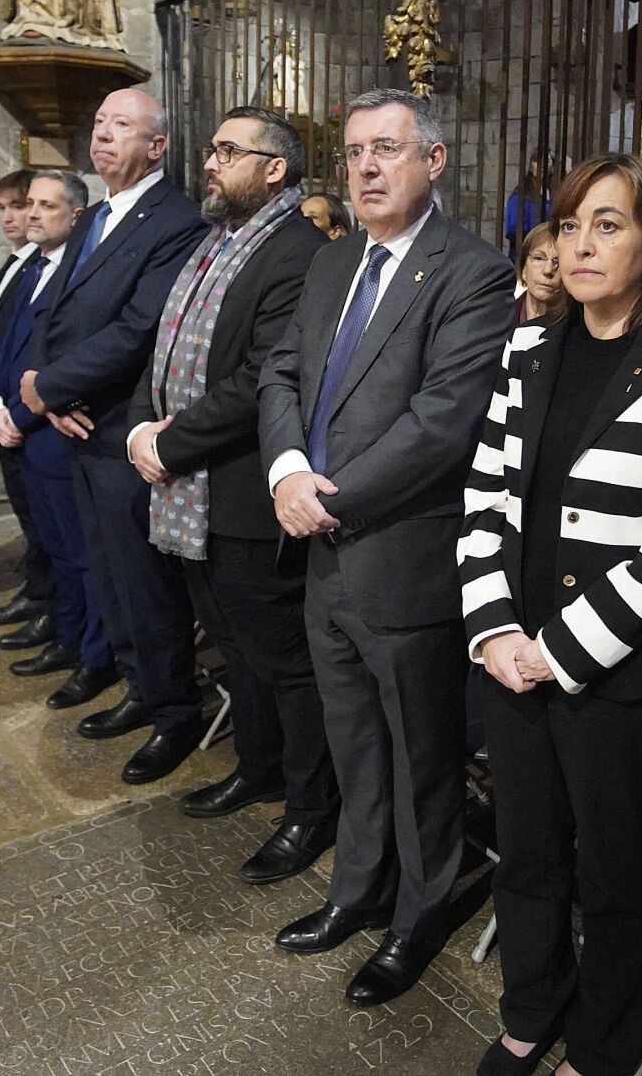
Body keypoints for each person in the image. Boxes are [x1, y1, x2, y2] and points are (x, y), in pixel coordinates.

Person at [460, 153, 642, 1075]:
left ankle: (607, 1039)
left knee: (611, 867)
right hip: (512, 648)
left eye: (609, 224)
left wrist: (559, 651)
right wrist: (495, 625)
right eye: (572, 224)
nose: (582, 245)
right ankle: (531, 1004)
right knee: (529, 848)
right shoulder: (530, 345)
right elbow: (486, 496)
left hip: (618, 665)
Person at [257, 88, 515, 1008]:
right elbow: (283, 368)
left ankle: (418, 911)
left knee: (421, 751)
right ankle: (356, 888)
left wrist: (334, 498)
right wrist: (288, 469)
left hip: (401, 552)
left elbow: (444, 420)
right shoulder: (333, 263)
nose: (364, 168)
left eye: (386, 150)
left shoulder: (473, 272)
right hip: (320, 548)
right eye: (356, 152)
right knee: (353, 737)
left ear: (432, 162)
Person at [124, 107, 338, 885]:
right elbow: (165, 348)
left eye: (227, 151)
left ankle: (313, 810)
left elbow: (261, 378)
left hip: (244, 493)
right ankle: (260, 766)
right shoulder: (214, 242)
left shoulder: (299, 253)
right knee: (238, 652)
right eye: (211, 149)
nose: (209, 163)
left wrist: (168, 443)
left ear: (274, 168)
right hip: (187, 492)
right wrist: (138, 429)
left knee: (284, 661)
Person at [18, 88, 210, 783]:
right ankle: (136, 687)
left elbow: (140, 329)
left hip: (123, 426)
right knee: (105, 571)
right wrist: (45, 381)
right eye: (98, 122)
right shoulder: (95, 213)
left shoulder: (176, 219)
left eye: (120, 125)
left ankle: (174, 712)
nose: (101, 135)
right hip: (78, 422)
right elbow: (53, 307)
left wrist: (55, 387)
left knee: (144, 581)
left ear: (156, 146)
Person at [0, 170, 118, 710]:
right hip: (23, 431)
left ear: (77, 215)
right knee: (56, 550)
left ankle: (93, 655)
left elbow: (54, 365)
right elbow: (7, 347)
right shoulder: (32, 268)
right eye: (28, 204)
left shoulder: (80, 273)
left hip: (55, 433)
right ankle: (64, 636)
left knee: (84, 557)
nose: (32, 213)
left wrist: (18, 412)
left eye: (45, 205)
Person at [0, 169, 53, 634]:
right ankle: (38, 593)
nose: (12, 217)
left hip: (25, 412)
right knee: (28, 514)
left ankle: (46, 601)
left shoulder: (40, 266)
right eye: (3, 208)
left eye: (18, 206)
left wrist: (5, 401)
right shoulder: (18, 263)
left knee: (43, 522)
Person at [515, 222, 563, 323]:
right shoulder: (499, 318)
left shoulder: (578, 328)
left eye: (558, 262)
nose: (548, 270)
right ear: (524, 269)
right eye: (539, 258)